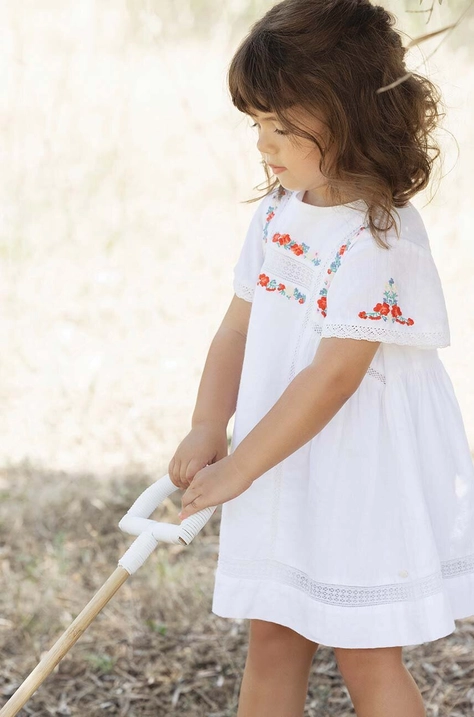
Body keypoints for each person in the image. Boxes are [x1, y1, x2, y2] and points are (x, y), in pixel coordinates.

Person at [168, 1, 474, 715]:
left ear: (351, 117)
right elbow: (237, 330)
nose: (263, 145)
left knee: (364, 651)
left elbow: (336, 376)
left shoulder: (379, 238)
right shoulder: (277, 211)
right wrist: (210, 424)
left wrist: (240, 468)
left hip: (355, 474)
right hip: (282, 460)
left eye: (282, 126)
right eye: (257, 125)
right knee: (272, 633)